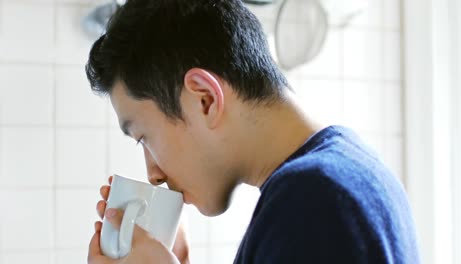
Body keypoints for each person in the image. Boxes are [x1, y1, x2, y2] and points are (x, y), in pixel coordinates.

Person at [85, 0, 420, 263]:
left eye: (144, 137)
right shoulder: (344, 172)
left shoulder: (312, 200)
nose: (153, 174)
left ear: (204, 99)